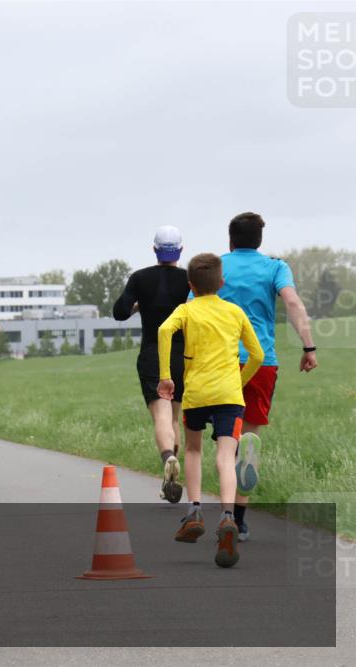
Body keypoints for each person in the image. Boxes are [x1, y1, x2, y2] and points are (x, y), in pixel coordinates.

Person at [213, 212, 318, 541]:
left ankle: (227, 514)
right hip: (262, 363)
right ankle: (240, 521)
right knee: (249, 441)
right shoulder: (275, 267)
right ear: (259, 241)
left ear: (230, 240)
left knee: (226, 442)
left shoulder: (215, 267)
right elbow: (292, 302)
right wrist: (308, 347)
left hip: (220, 362)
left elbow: (194, 308)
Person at [158, 253, 264, 568]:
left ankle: (194, 510)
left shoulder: (186, 310)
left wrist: (166, 375)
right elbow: (256, 354)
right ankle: (228, 516)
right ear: (222, 282)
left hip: (197, 395)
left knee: (192, 449)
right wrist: (238, 381)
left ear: (191, 285)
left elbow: (164, 332)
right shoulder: (234, 311)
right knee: (225, 456)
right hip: (230, 395)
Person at [112, 226, 191, 503]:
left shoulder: (140, 278)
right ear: (180, 249)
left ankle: (168, 457)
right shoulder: (189, 280)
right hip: (183, 356)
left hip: (152, 354)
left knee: (160, 415)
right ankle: (170, 475)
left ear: (155, 250)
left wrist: (137, 305)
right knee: (174, 417)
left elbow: (119, 312)